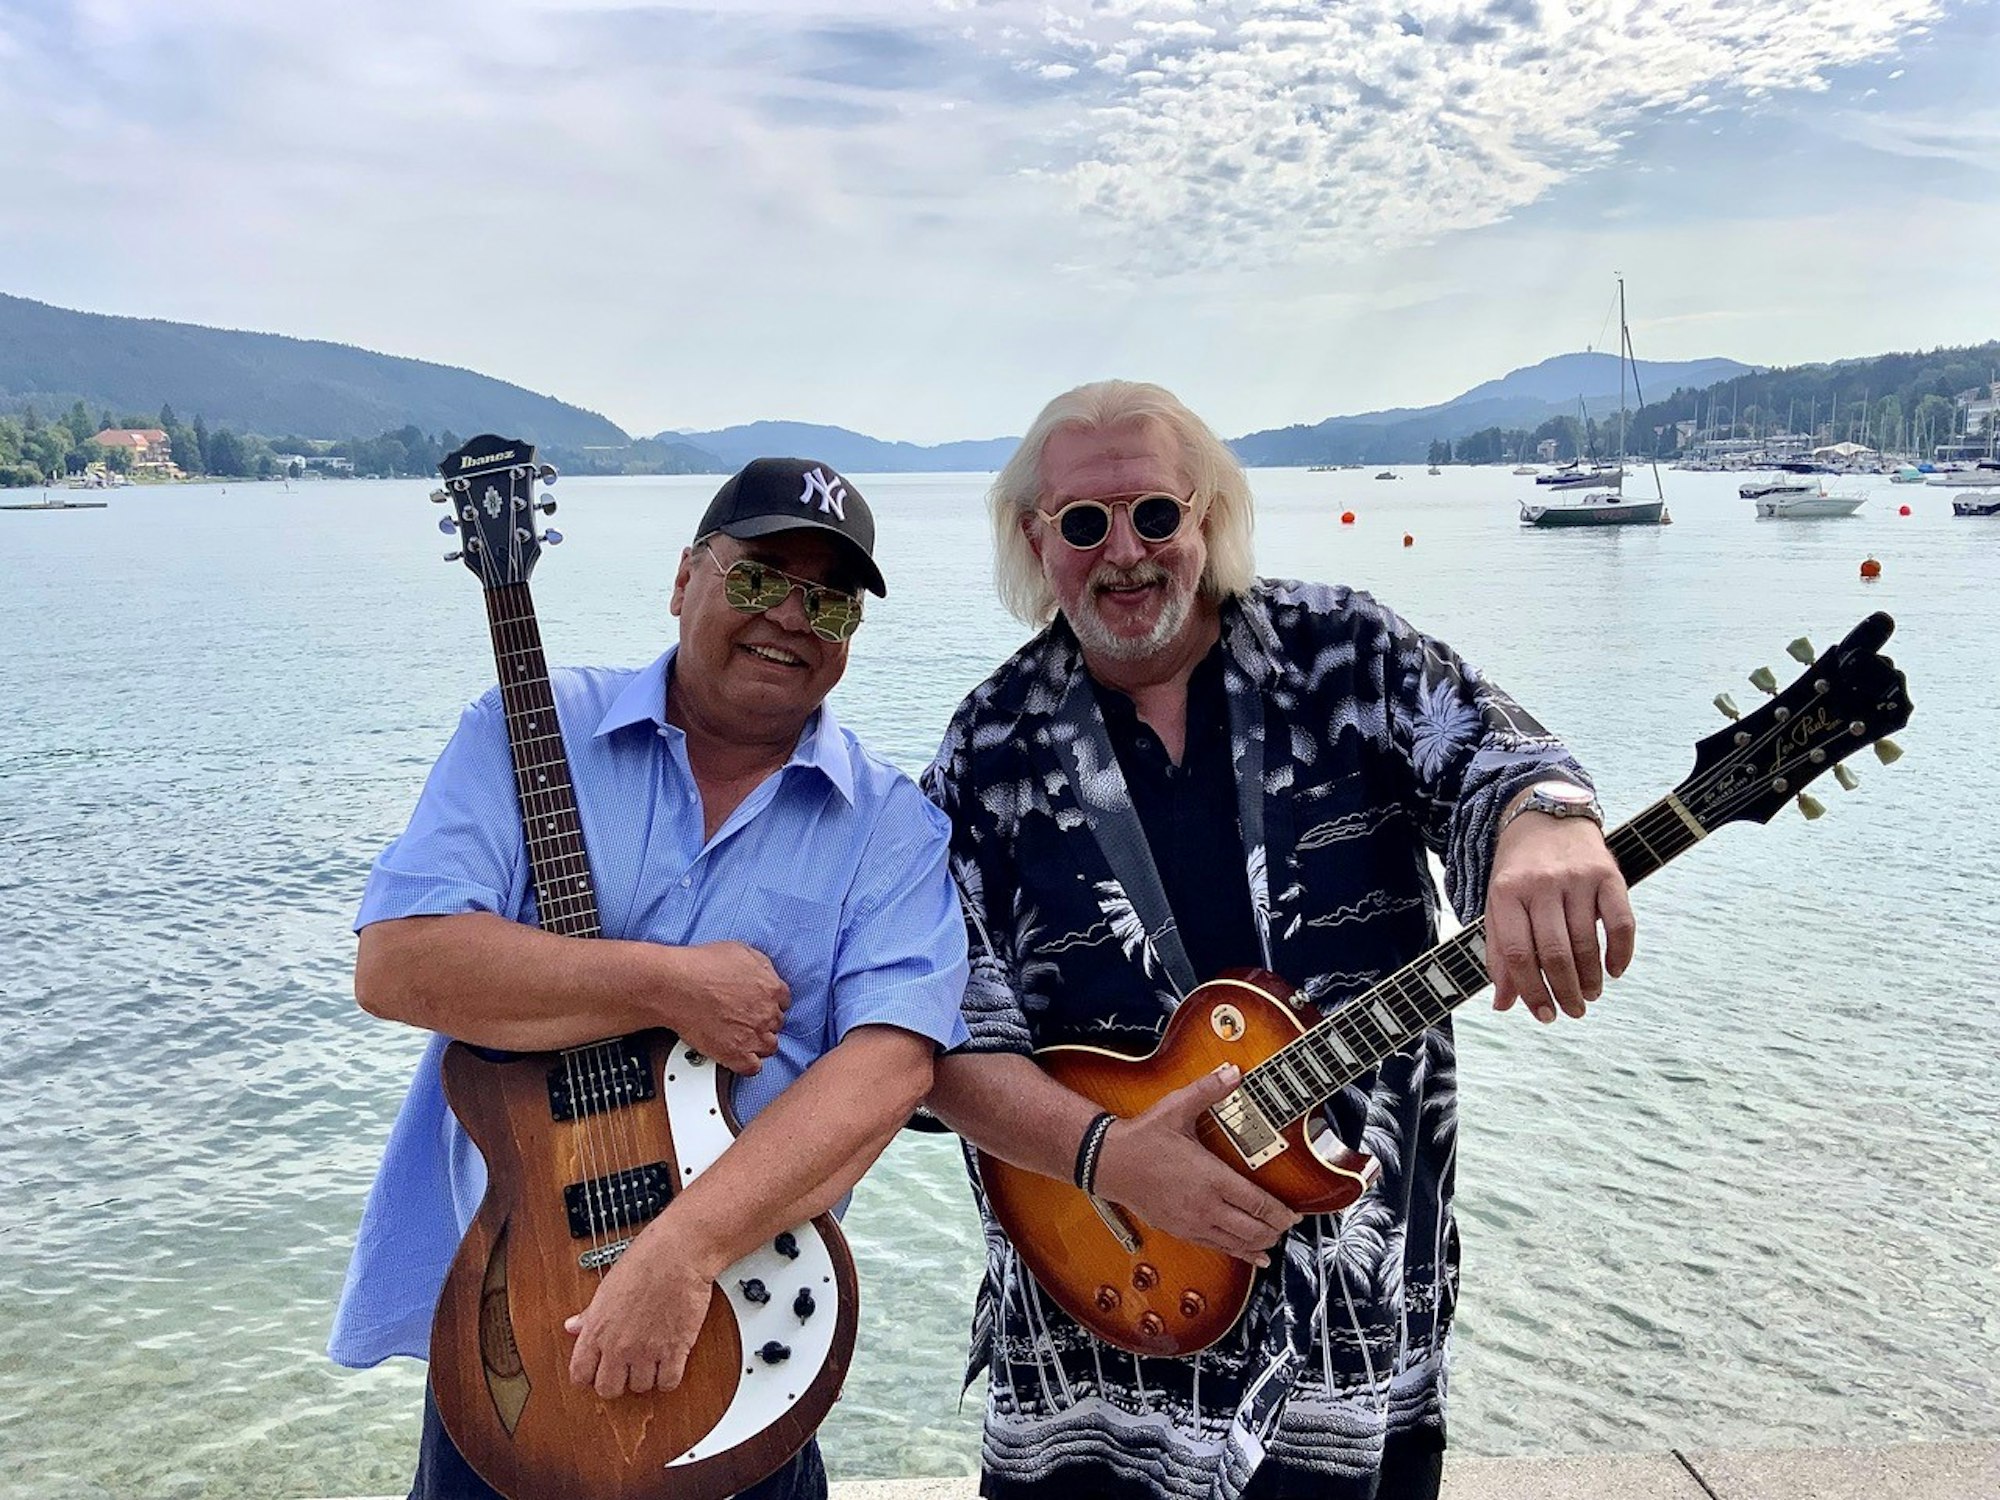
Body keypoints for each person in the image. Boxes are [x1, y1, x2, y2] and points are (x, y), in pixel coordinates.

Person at [922, 382, 1636, 1500]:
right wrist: (1107, 1157)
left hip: (1346, 1319)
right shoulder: (986, 749)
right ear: (1034, 539)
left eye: (1155, 513)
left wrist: (1544, 823)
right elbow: (935, 1040)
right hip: (1096, 1325)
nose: (1124, 552)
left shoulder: (1346, 655)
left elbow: (1494, 760)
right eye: (1083, 522)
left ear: (1205, 516)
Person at [329, 457, 971, 1500]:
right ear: (684, 579)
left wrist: (680, 1252)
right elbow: (398, 963)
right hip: (517, 1310)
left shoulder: (890, 827)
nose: (790, 618)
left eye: (829, 601)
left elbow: (892, 1068)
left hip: (745, 1318)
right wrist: (668, 986)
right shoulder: (525, 729)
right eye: (758, 578)